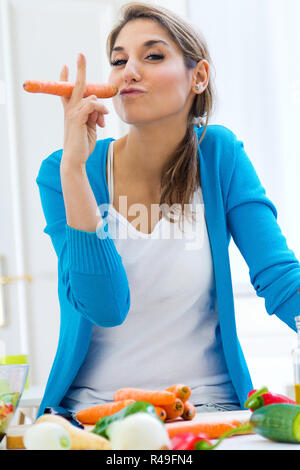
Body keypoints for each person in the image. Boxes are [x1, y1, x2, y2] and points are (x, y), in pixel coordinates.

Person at [36, 2, 300, 418]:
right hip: (93, 416)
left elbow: (280, 278)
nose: (129, 72)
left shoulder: (219, 156)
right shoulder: (63, 172)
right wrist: (74, 171)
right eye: (119, 61)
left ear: (198, 77)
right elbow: (105, 306)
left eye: (153, 56)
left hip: (210, 409)